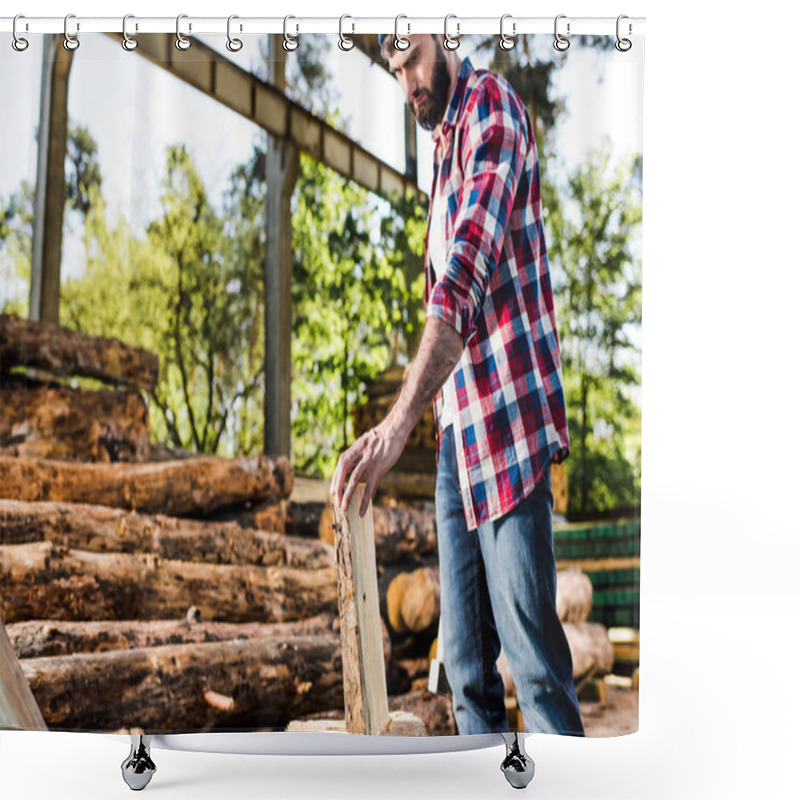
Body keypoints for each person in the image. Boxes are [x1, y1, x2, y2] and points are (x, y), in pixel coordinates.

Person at [330, 33, 584, 737]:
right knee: (465, 674)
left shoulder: (491, 111)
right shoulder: (442, 152)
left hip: (505, 424)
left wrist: (393, 428)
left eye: (410, 56)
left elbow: (463, 280)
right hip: (456, 439)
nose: (406, 79)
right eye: (393, 67)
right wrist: (428, 418)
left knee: (532, 668)